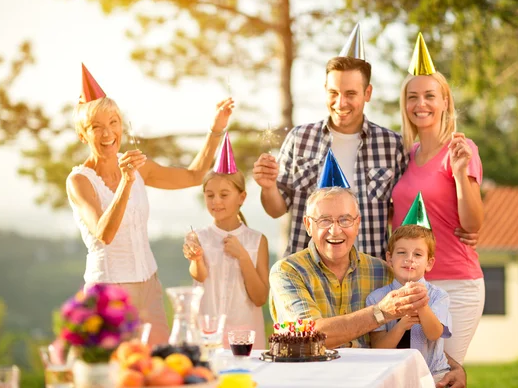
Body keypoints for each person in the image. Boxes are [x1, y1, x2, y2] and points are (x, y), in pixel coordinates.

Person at [253, 24, 475, 259]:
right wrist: (268, 186)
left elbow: (409, 203)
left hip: (369, 274)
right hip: (307, 272)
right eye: (334, 93)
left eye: (350, 94)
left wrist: (455, 231)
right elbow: (276, 209)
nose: (340, 103)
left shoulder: (392, 145)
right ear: (325, 90)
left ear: (367, 93)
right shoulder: (299, 139)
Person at [66, 64, 234, 347]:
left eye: (114, 122)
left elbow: (193, 176)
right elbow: (103, 234)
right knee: (120, 371)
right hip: (110, 290)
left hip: (149, 285)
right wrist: (125, 182)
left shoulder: (138, 167)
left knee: (160, 366)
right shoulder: (80, 180)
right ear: (83, 135)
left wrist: (215, 129)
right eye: (97, 127)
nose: (108, 133)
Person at [269, 186, 466, 387]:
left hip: (369, 379)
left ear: (357, 224)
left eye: (345, 220)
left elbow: (418, 332)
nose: (335, 230)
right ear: (308, 225)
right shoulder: (288, 271)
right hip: (312, 379)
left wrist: (454, 368)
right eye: (324, 220)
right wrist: (381, 312)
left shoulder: (382, 271)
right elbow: (310, 336)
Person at [391, 33, 485, 364]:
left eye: (430, 95)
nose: (421, 104)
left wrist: (460, 173)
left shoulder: (461, 150)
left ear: (445, 101)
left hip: (457, 284)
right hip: (413, 285)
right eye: (413, 97)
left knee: (444, 374)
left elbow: (473, 224)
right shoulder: (406, 155)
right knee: (416, 377)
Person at [183, 134, 269, 349]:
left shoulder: (257, 240)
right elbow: (199, 275)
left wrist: (243, 256)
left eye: (224, 194)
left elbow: (260, 298)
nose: (216, 201)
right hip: (208, 330)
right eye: (210, 195)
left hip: (245, 334)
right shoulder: (198, 237)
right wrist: (196, 259)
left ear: (241, 197)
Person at [367, 222, 452, 384]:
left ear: (429, 263)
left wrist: (421, 304)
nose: (409, 259)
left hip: (432, 375)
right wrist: (401, 325)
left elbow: (434, 334)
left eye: (418, 255)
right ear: (389, 259)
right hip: (391, 377)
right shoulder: (376, 299)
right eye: (401, 252)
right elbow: (379, 348)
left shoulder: (439, 296)